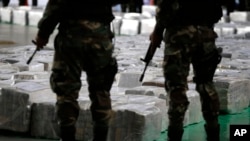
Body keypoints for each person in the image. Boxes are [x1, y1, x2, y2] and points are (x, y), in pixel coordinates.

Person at [34, 0, 131, 141]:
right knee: (101, 90)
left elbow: (55, 5)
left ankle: (68, 136)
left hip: (71, 36)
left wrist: (43, 33)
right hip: (100, 37)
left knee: (67, 90)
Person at [150, 0, 223, 141]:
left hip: (179, 35)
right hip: (205, 34)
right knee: (207, 84)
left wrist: (158, 31)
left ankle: (175, 135)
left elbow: (165, 8)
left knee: (177, 88)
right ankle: (214, 132)